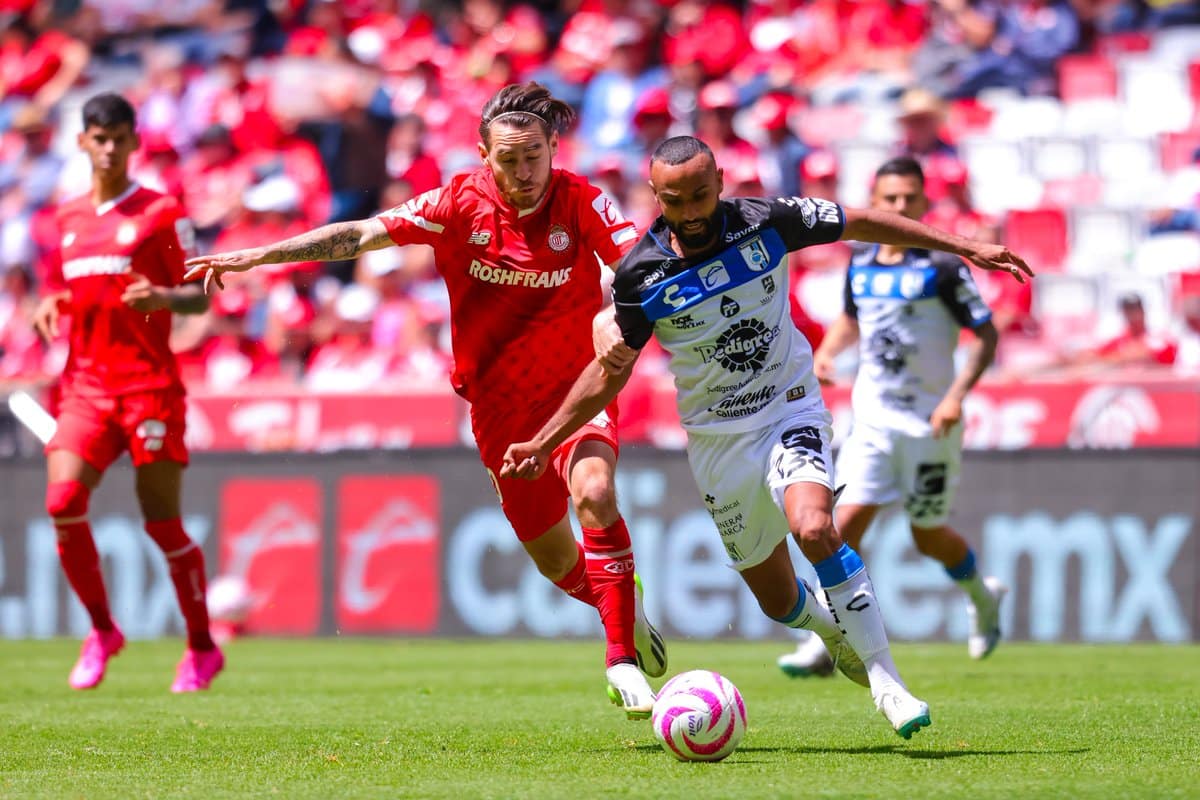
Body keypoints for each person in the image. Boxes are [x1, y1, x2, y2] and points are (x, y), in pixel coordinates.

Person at [501, 136, 1032, 738]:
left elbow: (860, 221)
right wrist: (544, 442)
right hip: (716, 441)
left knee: (815, 525)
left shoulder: (768, 221)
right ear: (657, 198)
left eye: (701, 194)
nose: (693, 211)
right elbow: (607, 373)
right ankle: (831, 631)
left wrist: (965, 247)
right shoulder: (642, 274)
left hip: (788, 410)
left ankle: (888, 684)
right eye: (676, 202)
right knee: (779, 600)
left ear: (721, 182)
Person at [183, 82, 667, 719]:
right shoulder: (456, 203)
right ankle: (618, 603)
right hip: (497, 410)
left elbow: (639, 261)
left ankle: (621, 662)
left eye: (534, 157)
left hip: (573, 392)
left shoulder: (580, 199)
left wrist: (624, 311)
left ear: (554, 147)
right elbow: (358, 237)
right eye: (508, 159)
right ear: (482, 154)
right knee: (555, 560)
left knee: (596, 494)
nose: (523, 173)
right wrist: (259, 256)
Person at [777, 156, 1009, 681]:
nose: (900, 207)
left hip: (930, 424)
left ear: (924, 202)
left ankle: (982, 594)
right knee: (842, 527)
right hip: (874, 421)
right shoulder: (861, 262)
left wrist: (956, 395)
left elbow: (988, 333)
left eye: (909, 198)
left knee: (928, 536)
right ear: (874, 203)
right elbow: (852, 320)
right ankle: (828, 641)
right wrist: (827, 353)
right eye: (890, 199)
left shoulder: (944, 267)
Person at [31, 93, 223, 692]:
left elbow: (201, 292)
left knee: (162, 524)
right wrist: (52, 301)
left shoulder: (162, 212)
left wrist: (164, 298)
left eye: (119, 137)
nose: (109, 147)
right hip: (86, 387)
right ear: (83, 142)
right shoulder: (66, 218)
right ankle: (102, 630)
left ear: (135, 142)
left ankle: (200, 647)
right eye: (99, 137)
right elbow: (72, 288)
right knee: (62, 503)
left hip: (149, 388)